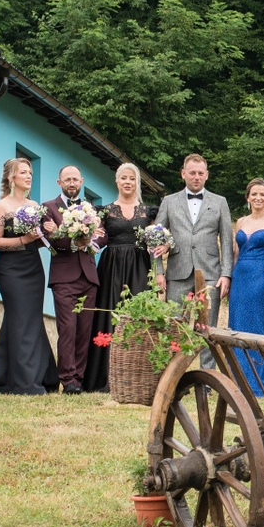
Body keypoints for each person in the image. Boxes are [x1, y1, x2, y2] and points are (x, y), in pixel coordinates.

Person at [0, 157, 57, 394]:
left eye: (30, 172)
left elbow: (37, 242)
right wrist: (24, 239)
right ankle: (25, 380)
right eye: (23, 172)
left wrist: (48, 234)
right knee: (19, 319)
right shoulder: (0, 206)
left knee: (30, 319)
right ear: (11, 177)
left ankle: (19, 375)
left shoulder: (34, 205)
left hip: (33, 267)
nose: (29, 176)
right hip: (11, 270)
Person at [153, 154, 234, 352]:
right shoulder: (169, 201)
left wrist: (226, 274)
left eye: (200, 173)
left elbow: (226, 241)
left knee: (207, 331)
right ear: (183, 174)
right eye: (192, 173)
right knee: (173, 328)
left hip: (210, 274)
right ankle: (173, 371)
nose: (196, 177)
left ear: (206, 175)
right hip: (177, 273)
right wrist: (158, 271)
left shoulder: (220, 202)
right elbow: (155, 238)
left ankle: (207, 372)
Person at [87, 162, 154, 395]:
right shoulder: (104, 211)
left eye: (132, 178)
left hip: (140, 267)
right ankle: (105, 375)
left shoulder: (149, 212)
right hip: (111, 268)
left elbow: (156, 240)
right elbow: (97, 238)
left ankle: (137, 375)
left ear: (137, 183)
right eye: (123, 178)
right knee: (108, 314)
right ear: (117, 181)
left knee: (138, 316)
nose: (127, 182)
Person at [43, 164, 103, 394]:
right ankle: (67, 379)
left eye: (75, 179)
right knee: (67, 328)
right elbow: (49, 237)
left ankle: (79, 379)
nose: (71, 183)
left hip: (89, 277)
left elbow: (103, 234)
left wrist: (90, 242)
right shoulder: (49, 207)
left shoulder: (91, 208)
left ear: (81, 181)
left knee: (84, 330)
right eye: (67, 179)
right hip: (64, 277)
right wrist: (74, 241)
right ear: (59, 183)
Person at [227, 176, 264, 395]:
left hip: (260, 276)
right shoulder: (241, 222)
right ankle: (236, 379)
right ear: (247, 198)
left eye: (262, 194)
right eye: (254, 194)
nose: (258, 198)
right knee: (236, 327)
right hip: (240, 278)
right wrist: (230, 280)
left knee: (258, 326)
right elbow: (235, 254)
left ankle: (260, 382)